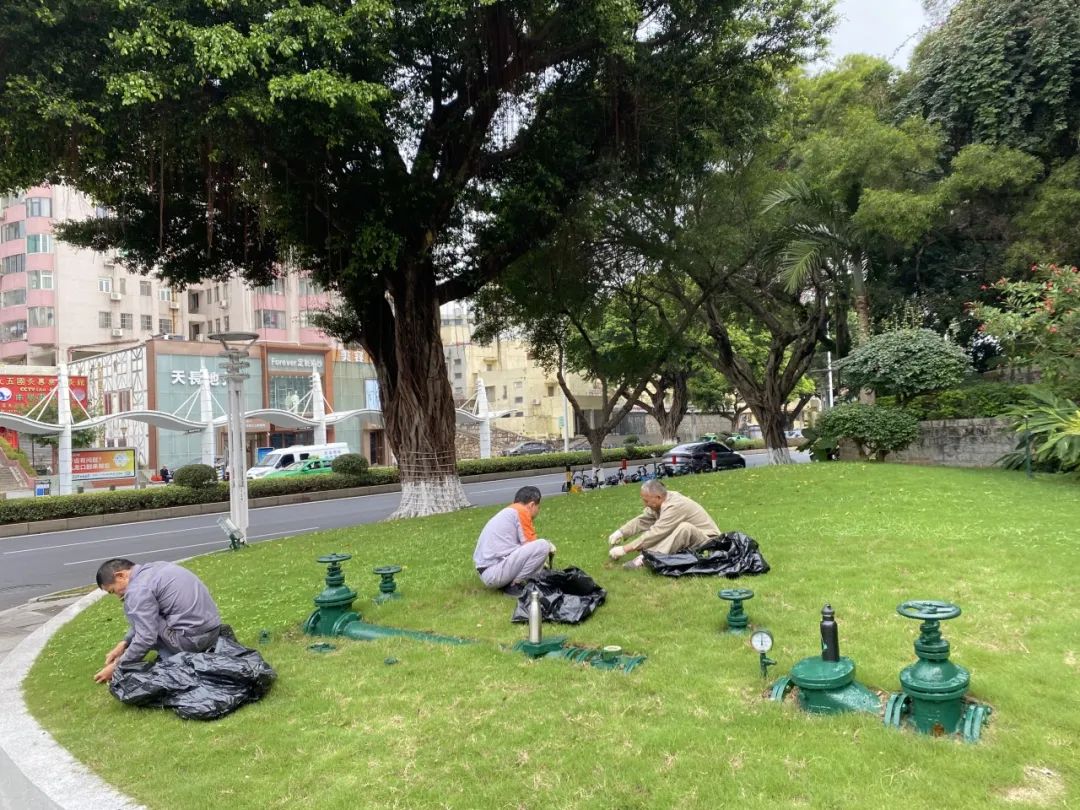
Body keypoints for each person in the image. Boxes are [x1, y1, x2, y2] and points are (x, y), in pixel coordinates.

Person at [93, 558, 224, 684]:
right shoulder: (158, 566)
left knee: (137, 614)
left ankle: (171, 659)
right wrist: (124, 643)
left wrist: (117, 666)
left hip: (193, 642)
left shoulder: (137, 589)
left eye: (113, 591)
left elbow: (146, 637)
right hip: (213, 631)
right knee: (145, 615)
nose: (118, 596)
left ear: (120, 576)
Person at [607, 479, 721, 570]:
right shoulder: (662, 500)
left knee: (685, 528)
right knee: (671, 530)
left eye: (646, 501)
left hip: (709, 542)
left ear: (658, 497)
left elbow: (657, 532)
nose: (644, 504)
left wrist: (625, 549)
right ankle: (648, 554)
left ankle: (647, 559)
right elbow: (643, 520)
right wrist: (621, 532)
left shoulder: (674, 506)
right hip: (692, 541)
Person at [473, 486, 555, 592]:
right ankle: (516, 585)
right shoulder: (521, 511)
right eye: (538, 507)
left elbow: (524, 550)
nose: (538, 510)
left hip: (489, 571)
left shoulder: (510, 512)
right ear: (531, 505)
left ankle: (511, 583)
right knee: (543, 545)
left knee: (541, 549)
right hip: (494, 572)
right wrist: (548, 548)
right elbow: (532, 545)